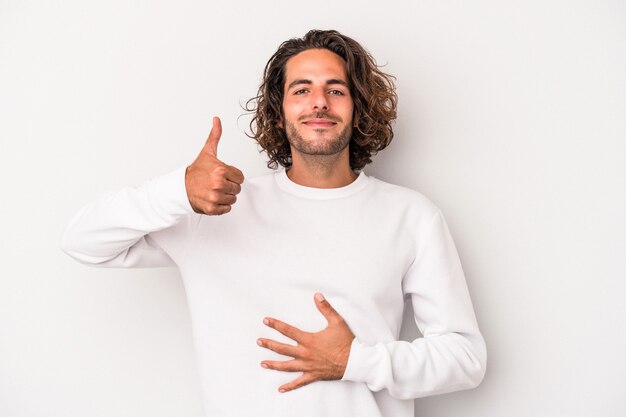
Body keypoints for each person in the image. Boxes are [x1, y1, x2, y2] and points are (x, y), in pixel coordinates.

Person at [62, 29, 486, 417]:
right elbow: (82, 241)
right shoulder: (217, 210)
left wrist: (354, 361)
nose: (319, 101)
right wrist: (176, 192)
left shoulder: (410, 216)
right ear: (279, 115)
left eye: (335, 89)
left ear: (358, 111)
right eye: (301, 90)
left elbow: (465, 359)